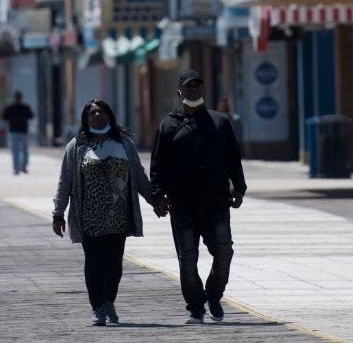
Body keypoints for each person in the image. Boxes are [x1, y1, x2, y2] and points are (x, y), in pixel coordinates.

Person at [52, 99, 168, 327]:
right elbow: (65, 181)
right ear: (85, 119)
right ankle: (97, 307)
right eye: (92, 113)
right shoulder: (77, 146)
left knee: (114, 264)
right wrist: (58, 212)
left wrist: (154, 200)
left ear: (109, 116)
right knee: (94, 262)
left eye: (101, 112)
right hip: (89, 217)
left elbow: (139, 175)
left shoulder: (124, 144)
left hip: (119, 216)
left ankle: (108, 300)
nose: (97, 115)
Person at [150, 70, 246, 324]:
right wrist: (157, 196)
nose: (193, 90)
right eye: (188, 87)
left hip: (216, 202)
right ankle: (195, 305)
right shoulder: (168, 125)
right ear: (180, 91)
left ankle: (214, 295)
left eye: (197, 86)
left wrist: (239, 187)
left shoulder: (219, 122)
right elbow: (158, 166)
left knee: (224, 251)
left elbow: (232, 159)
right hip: (183, 205)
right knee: (187, 258)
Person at [2, 90, 35, 175]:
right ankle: (23, 166)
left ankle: (16, 168)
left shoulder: (10, 108)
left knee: (15, 151)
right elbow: (31, 116)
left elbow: (4, 117)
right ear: (21, 98)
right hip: (23, 131)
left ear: (14, 98)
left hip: (13, 131)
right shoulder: (25, 107)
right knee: (24, 150)